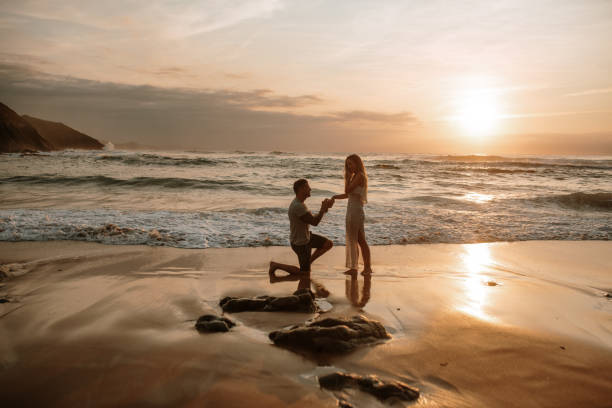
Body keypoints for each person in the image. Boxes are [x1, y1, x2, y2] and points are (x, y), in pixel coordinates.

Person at [269, 178, 334, 281]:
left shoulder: (300, 203)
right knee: (304, 274)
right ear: (301, 189)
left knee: (328, 244)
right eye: (308, 187)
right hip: (301, 244)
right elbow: (314, 222)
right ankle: (276, 265)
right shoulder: (298, 206)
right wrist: (322, 209)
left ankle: (308, 262)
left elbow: (313, 220)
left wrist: (324, 209)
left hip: (306, 237)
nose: (310, 189)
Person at [332, 154, 372, 275]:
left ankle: (367, 267)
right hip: (351, 210)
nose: (348, 167)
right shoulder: (356, 176)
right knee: (354, 239)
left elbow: (347, 190)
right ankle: (354, 267)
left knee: (360, 240)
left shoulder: (359, 176)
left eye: (350, 164)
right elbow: (348, 195)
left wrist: (347, 178)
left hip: (356, 212)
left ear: (357, 163)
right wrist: (334, 197)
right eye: (347, 165)